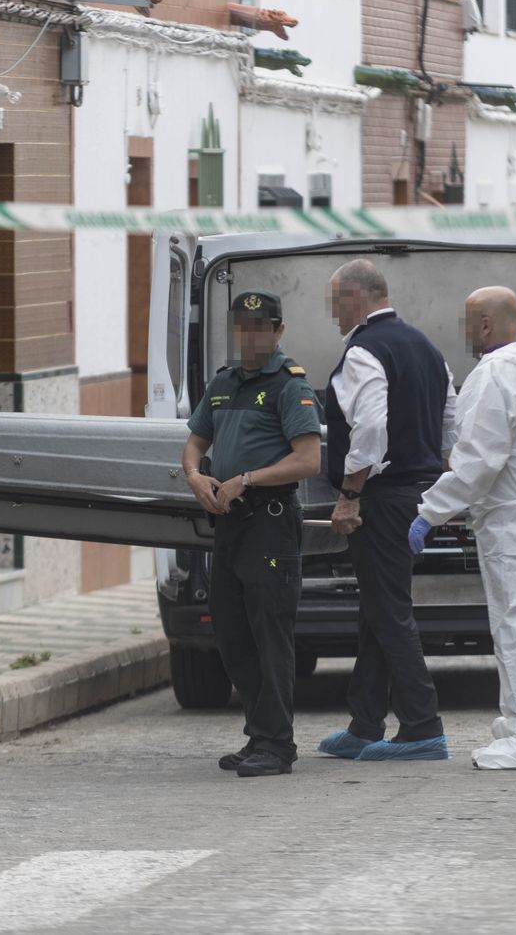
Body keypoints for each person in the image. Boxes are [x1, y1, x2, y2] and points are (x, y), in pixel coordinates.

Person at [411, 287, 516, 770]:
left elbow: (477, 462)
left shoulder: (491, 375)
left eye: (466, 320)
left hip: (508, 518)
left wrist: (427, 513)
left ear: (482, 325)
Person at [317, 259, 458, 763]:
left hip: (381, 496)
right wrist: (442, 478)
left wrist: (350, 493)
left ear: (357, 297)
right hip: (417, 493)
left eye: (336, 303)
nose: (333, 314)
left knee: (389, 611)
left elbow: (370, 431)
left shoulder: (363, 351)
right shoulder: (427, 347)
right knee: (378, 607)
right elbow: (449, 420)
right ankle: (364, 722)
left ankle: (423, 725)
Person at [182, 291, 322, 778]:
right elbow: (195, 443)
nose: (250, 334)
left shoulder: (289, 386)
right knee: (232, 631)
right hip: (230, 524)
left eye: (260, 326)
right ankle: (258, 734)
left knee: (270, 634)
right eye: (242, 325)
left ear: (278, 330)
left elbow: (308, 459)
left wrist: (248, 479)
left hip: (269, 521)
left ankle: (276, 744)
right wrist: (196, 475)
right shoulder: (223, 384)